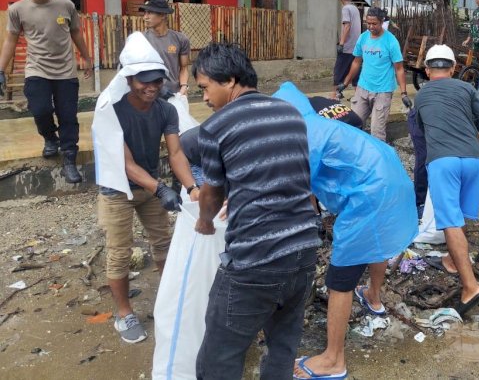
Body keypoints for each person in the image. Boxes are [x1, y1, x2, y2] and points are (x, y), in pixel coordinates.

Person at [271, 83, 416, 380]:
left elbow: (293, 184)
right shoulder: (321, 124)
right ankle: (374, 297)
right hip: (392, 174)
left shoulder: (303, 134)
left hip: (370, 194)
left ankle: (333, 359)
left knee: (340, 278)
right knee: (379, 243)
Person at [192, 43, 320, 380]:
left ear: (230, 80)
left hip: (255, 261)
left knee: (217, 358)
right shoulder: (290, 113)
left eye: (205, 88)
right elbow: (295, 179)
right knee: (282, 348)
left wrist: (205, 221)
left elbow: (212, 193)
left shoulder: (215, 128)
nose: (204, 98)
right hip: (304, 251)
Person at [98, 63, 195, 344]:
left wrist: (192, 186)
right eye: (144, 82)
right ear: (129, 79)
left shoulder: (166, 109)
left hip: (150, 184)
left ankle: (168, 302)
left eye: (157, 81)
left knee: (164, 243)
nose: (151, 87)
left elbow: (175, 152)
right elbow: (125, 164)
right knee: (120, 252)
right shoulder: (112, 110)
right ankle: (125, 313)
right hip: (116, 188)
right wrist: (161, 188)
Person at [414, 45, 479, 317]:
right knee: (460, 216)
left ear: (427, 70)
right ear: (453, 69)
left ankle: (471, 286)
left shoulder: (422, 95)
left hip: (443, 161)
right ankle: (451, 258)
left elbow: (422, 132)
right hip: (472, 159)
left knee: (449, 220)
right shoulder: (466, 89)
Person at [0, 0, 93, 183]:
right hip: (37, 69)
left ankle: (69, 159)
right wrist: (1, 69)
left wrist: (87, 58)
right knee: (40, 109)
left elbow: (76, 33)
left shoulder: (66, 5)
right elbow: (10, 40)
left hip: (65, 71)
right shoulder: (17, 10)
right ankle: (50, 138)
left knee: (68, 117)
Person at [337, 7, 410, 141]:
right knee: (353, 124)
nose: (370, 26)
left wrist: (403, 93)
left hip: (383, 91)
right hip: (363, 88)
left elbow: (399, 68)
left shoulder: (391, 41)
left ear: (382, 21)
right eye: (368, 23)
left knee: (377, 132)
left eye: (374, 23)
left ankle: (379, 159)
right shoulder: (363, 38)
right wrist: (345, 82)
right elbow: (356, 62)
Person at [141, 0, 191, 95]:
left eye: (150, 13)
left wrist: (184, 86)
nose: (145, 17)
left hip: (174, 94)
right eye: (145, 13)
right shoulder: (141, 40)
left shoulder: (180, 39)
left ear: (163, 15)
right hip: (149, 95)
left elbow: (184, 68)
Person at [332, 0, 361, 97]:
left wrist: (342, 43)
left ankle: (333, 97)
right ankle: (359, 98)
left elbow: (347, 26)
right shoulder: (355, 8)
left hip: (347, 47)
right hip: (356, 47)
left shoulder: (346, 8)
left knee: (338, 72)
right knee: (354, 73)